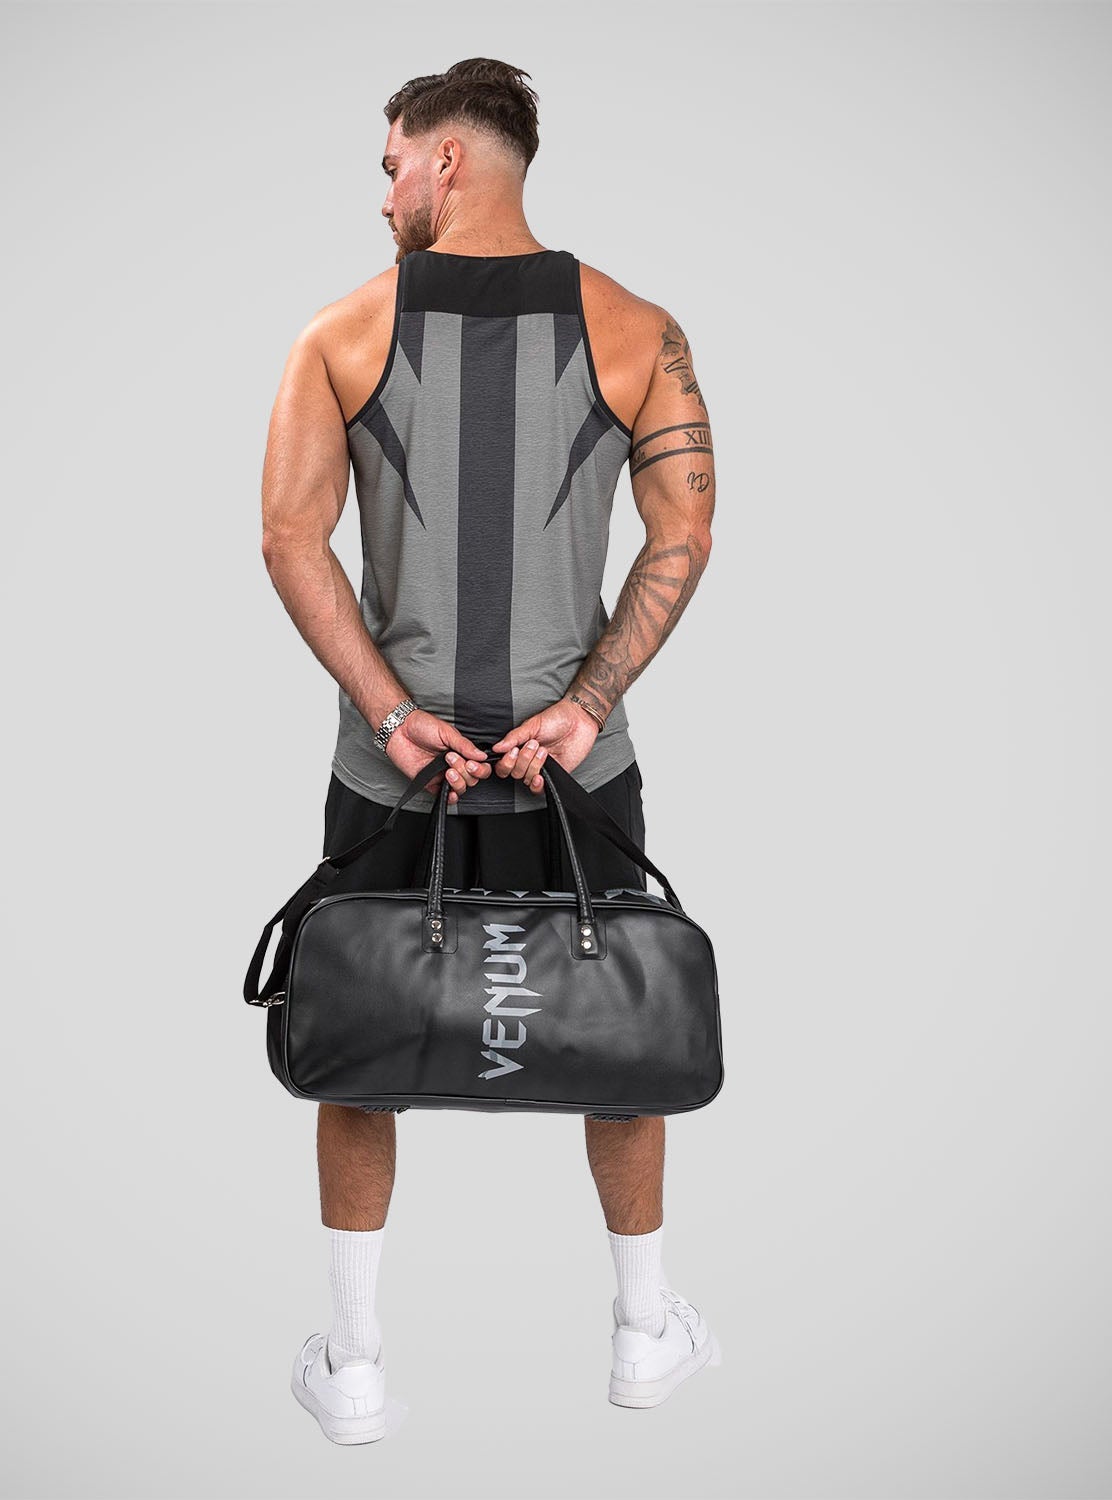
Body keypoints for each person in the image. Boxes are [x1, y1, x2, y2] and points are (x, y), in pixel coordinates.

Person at [260, 57, 718, 1444]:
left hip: (392, 770)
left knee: (356, 1029)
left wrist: (394, 717)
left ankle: (355, 1368)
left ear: (447, 161)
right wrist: (583, 706)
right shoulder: (639, 330)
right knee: (620, 1020)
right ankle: (643, 1334)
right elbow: (684, 533)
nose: (384, 192)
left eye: (392, 163)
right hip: (573, 767)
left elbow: (290, 538)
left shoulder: (339, 332)